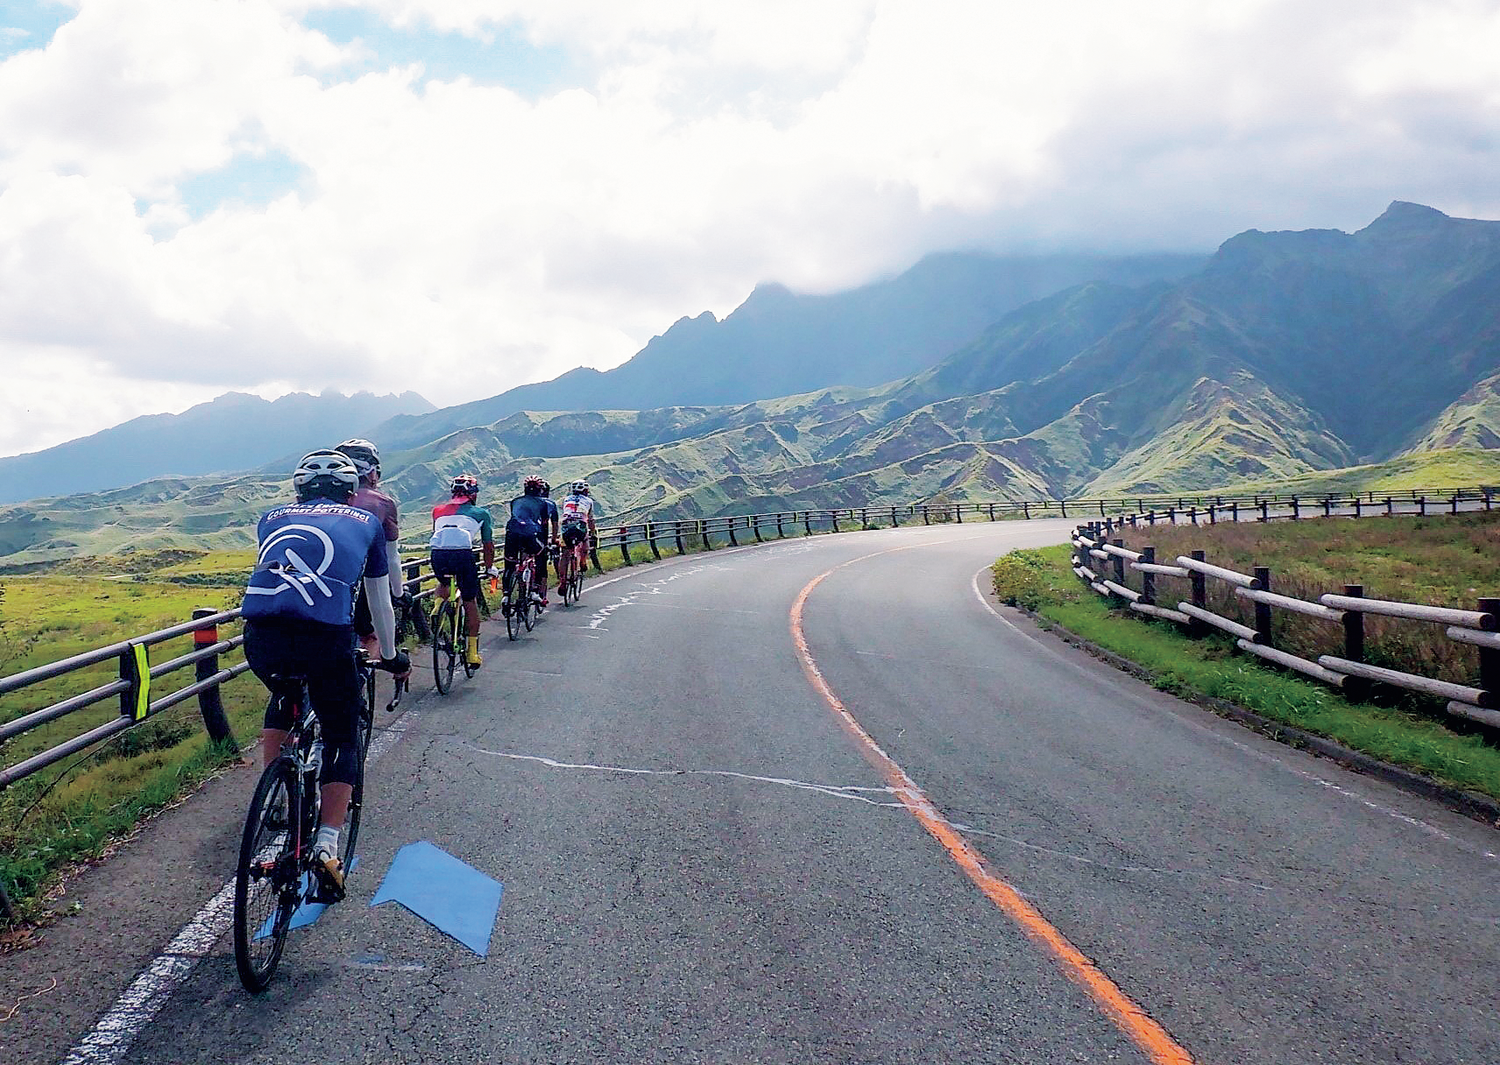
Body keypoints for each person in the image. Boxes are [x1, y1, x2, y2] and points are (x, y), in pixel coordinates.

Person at [241, 450, 410, 900]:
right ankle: (326, 847)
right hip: (326, 638)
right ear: (352, 491)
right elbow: (380, 601)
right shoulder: (367, 522)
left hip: (260, 638)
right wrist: (390, 655)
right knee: (340, 734)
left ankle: (277, 784)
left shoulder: (270, 517)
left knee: (286, 691)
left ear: (298, 490)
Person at [337, 438, 402, 659]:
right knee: (369, 636)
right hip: (362, 584)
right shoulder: (382, 502)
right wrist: (399, 593)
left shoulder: (322, 500)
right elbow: (391, 558)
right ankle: (363, 676)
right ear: (373, 472)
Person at [430, 474, 496, 668]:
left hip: (438, 555)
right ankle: (472, 654)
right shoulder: (481, 513)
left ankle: (438, 606)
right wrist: (489, 567)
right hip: (462, 556)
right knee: (469, 601)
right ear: (474, 495)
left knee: (444, 582)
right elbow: (488, 546)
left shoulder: (437, 511)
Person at [503, 475, 553, 612]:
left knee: (509, 565)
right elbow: (543, 525)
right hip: (530, 534)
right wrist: (545, 542)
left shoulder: (514, 501)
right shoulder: (543, 503)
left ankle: (506, 595)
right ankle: (534, 591)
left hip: (511, 533)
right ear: (540, 490)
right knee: (540, 556)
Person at [557, 479, 597, 594]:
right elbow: (590, 519)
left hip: (566, 526)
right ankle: (583, 561)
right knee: (585, 540)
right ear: (586, 490)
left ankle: (563, 582)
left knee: (564, 554)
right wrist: (593, 533)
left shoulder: (566, 499)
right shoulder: (589, 501)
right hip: (580, 526)